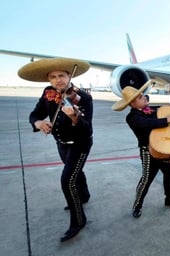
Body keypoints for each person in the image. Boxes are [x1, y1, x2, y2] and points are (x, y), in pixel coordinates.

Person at [20, 58, 93, 242]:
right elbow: (35, 114)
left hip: (80, 144)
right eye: (53, 77)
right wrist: (38, 123)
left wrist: (75, 117)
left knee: (67, 180)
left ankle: (78, 221)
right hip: (61, 143)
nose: (58, 80)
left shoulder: (83, 97)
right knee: (76, 172)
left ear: (70, 76)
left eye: (62, 75)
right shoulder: (48, 93)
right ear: (49, 80)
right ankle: (84, 195)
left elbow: (85, 127)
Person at [112, 82, 170, 218]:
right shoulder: (132, 117)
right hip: (148, 152)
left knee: (169, 175)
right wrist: (166, 120)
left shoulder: (150, 109)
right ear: (132, 104)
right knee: (146, 179)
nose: (144, 97)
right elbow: (147, 124)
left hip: (163, 149)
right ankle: (137, 205)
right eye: (140, 97)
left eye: (142, 95)